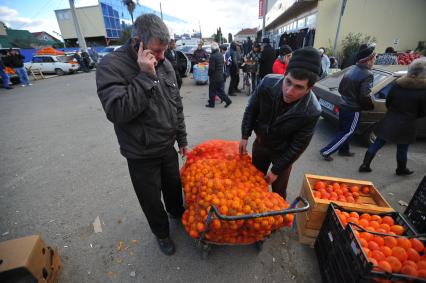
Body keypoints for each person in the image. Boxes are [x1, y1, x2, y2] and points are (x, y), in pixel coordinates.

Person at [96, 14, 188, 256]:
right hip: (141, 152)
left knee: (173, 187)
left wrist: (182, 139)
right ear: (138, 42)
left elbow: (175, 104)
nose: (161, 57)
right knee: (150, 199)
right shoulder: (110, 66)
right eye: (157, 51)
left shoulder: (165, 64)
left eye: (164, 50)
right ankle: (162, 233)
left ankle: (177, 212)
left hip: (167, 146)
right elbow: (117, 111)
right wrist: (145, 75)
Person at [239, 47, 322, 199]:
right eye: (288, 82)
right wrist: (245, 135)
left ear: (310, 88)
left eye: (298, 87)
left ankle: (277, 218)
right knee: (253, 183)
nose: (289, 91)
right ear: (284, 74)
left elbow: (298, 146)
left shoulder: (312, 110)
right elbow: (252, 109)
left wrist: (276, 171)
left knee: (278, 192)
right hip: (261, 143)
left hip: (284, 153)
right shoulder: (267, 83)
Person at [359, 58, 426, 175]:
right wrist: (413, 115)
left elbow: (388, 102)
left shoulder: (398, 84)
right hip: (408, 123)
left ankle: (365, 164)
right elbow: (423, 111)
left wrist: (393, 112)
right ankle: (401, 169)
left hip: (391, 118)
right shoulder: (423, 90)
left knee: (378, 142)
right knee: (402, 148)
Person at [320, 44, 376, 161]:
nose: (375, 60)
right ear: (368, 60)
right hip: (353, 108)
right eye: (374, 58)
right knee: (349, 131)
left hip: (344, 104)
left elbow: (341, 88)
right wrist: (369, 106)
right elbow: (365, 95)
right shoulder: (368, 74)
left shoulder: (352, 69)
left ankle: (343, 150)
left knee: (343, 130)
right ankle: (327, 151)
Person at [206, 42, 232, 108]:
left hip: (214, 77)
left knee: (212, 90)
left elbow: (212, 68)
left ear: (212, 49)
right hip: (220, 76)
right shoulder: (220, 55)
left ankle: (211, 104)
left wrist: (209, 74)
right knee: (220, 91)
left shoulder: (212, 56)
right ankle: (228, 100)